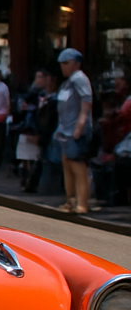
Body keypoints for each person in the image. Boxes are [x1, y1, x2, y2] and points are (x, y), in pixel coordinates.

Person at [51, 47, 93, 214]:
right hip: (64, 129)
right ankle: (70, 200)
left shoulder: (80, 79)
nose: (63, 66)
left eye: (66, 63)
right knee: (67, 165)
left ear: (76, 63)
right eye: (61, 63)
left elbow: (86, 104)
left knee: (77, 166)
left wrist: (80, 126)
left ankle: (82, 203)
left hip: (75, 130)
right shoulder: (67, 82)